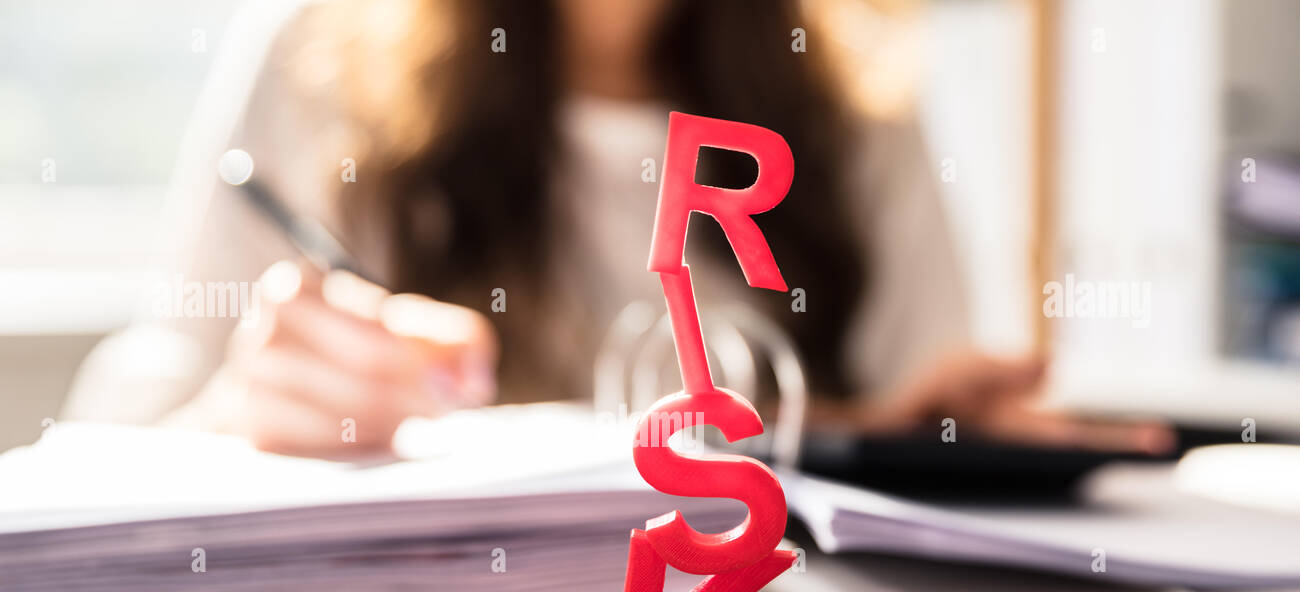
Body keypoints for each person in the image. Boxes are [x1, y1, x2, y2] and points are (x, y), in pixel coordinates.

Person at [62, 0, 1170, 458]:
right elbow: (121, 442)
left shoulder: (858, 102)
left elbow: (903, 415)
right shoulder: (317, 57)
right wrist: (245, 413)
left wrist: (907, 435)